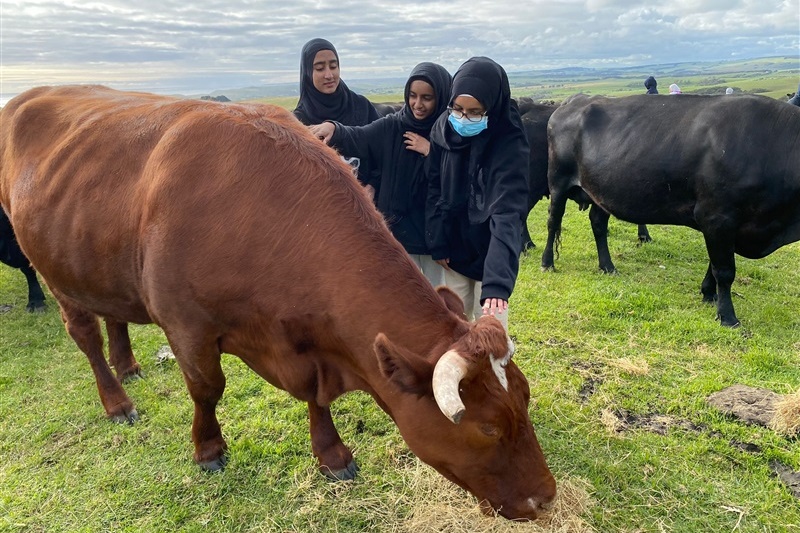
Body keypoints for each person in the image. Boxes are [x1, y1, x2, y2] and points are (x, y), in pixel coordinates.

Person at [308, 63, 452, 287]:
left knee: (442, 303)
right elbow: (360, 136)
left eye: (427, 97)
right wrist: (334, 128)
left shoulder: (450, 134)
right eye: (412, 96)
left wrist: (431, 151)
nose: (418, 104)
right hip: (399, 237)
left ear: (441, 97)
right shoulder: (394, 125)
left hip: (437, 241)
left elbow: (460, 173)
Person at [425, 57, 530, 330]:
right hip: (456, 250)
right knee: (454, 330)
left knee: (490, 336)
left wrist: (496, 284)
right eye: (457, 108)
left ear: (492, 109)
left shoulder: (509, 142)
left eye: (475, 112)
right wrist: (439, 241)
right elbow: (435, 186)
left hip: (491, 252)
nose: (463, 118)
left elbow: (507, 211)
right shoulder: (444, 130)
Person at [292, 38, 379, 127]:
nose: (329, 75)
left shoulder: (362, 106)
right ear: (308, 73)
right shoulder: (299, 122)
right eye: (320, 68)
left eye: (333, 66)